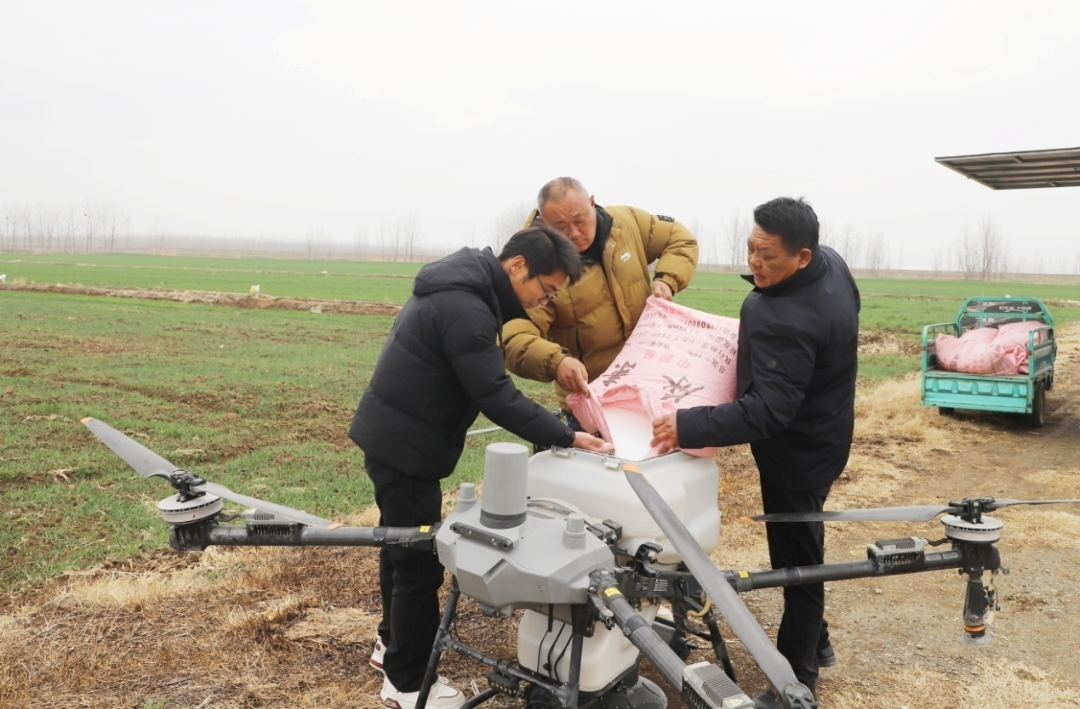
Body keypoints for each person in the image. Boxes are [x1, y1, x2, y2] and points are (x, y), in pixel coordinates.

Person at [349, 226, 613, 709]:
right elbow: (495, 394)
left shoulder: (463, 287)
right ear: (518, 266)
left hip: (396, 437)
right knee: (417, 563)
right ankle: (407, 684)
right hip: (407, 447)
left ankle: (391, 645)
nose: (541, 301)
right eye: (544, 290)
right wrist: (565, 435)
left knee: (398, 546)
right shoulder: (467, 306)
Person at [650, 197, 860, 697]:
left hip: (797, 456)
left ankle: (797, 683)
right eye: (751, 248)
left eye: (768, 255)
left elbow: (767, 412)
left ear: (802, 256)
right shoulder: (832, 265)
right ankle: (819, 642)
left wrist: (687, 425)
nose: (754, 263)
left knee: (797, 565)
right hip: (830, 431)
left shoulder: (783, 317)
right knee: (804, 537)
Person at [502, 177, 698, 424]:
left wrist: (667, 279)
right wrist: (557, 362)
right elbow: (513, 335)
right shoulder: (536, 270)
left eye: (580, 220)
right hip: (593, 399)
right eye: (561, 227)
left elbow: (679, 238)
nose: (575, 233)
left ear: (592, 203)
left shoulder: (626, 224)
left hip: (650, 385)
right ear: (542, 223)